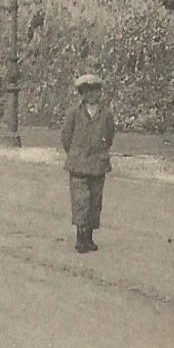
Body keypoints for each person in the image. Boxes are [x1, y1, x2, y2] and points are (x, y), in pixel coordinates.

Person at [61, 73, 116, 253]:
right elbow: (66, 137)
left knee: (94, 202)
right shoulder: (73, 113)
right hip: (78, 164)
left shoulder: (106, 113)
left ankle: (89, 238)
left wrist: (99, 152)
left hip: (98, 165)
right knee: (80, 201)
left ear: (99, 92)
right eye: (87, 91)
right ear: (81, 94)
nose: (91, 94)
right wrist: (76, 153)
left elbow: (109, 136)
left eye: (94, 90)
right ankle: (80, 238)